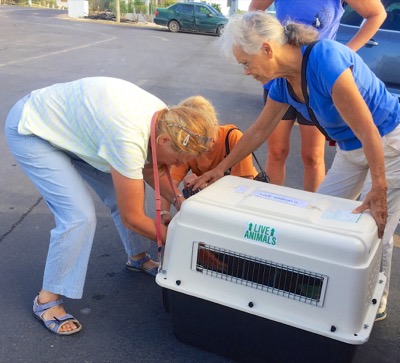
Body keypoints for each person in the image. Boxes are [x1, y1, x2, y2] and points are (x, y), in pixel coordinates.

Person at [192, 12, 400, 322]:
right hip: (350, 148)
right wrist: (218, 169)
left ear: (266, 48)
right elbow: (258, 132)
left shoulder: (325, 60)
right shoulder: (283, 84)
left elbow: (368, 129)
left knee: (374, 226)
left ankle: (372, 301)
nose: (246, 71)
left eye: (246, 63)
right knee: (320, 218)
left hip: (389, 144)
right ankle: (324, 289)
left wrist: (379, 187)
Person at [4, 76, 216, 335]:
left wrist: (181, 203)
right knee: (78, 216)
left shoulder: (167, 119)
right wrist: (186, 241)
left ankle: (137, 258)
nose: (175, 165)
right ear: (163, 142)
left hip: (74, 131)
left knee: (120, 195)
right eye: (179, 159)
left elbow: (152, 168)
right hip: (33, 129)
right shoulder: (127, 138)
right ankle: (46, 300)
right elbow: (133, 218)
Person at [248, 0, 386, 192]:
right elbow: (253, 12)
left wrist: (347, 50)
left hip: (316, 81)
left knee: (312, 156)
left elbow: (377, 13)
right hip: (282, 77)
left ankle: (310, 214)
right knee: (276, 151)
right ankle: (273, 209)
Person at [160, 95, 258, 225]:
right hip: (210, 201)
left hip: (241, 203)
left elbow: (245, 185)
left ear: (215, 122)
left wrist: (205, 186)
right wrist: (164, 212)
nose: (203, 141)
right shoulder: (189, 145)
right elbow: (170, 182)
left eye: (206, 132)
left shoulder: (233, 137)